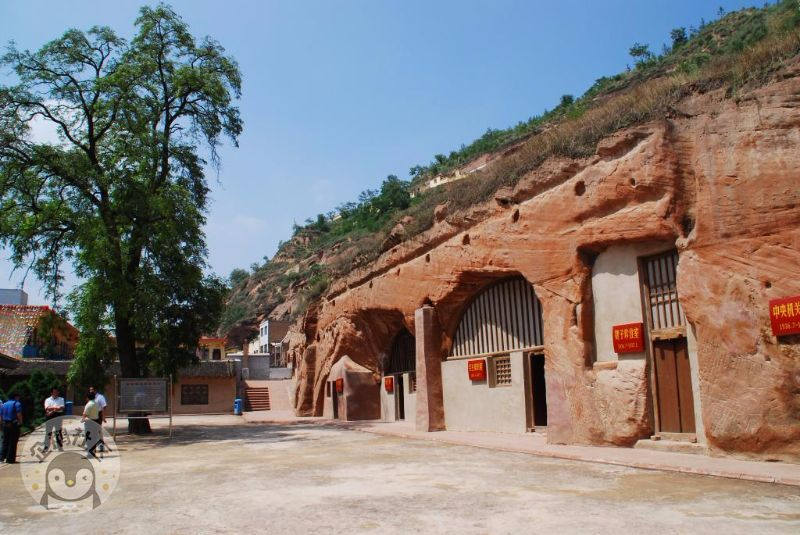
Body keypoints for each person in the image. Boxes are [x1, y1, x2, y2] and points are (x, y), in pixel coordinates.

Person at [1, 391, 24, 463]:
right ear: (16, 397)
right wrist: (20, 422)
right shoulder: (17, 403)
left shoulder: (4, 404)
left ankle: (2, 457)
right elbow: (19, 414)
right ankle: (10, 459)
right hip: (13, 424)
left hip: (5, 424)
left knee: (5, 441)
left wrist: (2, 423)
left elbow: (1, 415)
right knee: (13, 442)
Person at [42, 387, 65, 452]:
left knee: (58, 431)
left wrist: (53, 409)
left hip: (58, 416)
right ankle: (46, 447)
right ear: (51, 393)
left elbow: (62, 407)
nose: (56, 393)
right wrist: (56, 408)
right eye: (54, 392)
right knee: (48, 432)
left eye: (57, 391)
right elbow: (47, 408)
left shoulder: (61, 399)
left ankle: (60, 446)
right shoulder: (47, 400)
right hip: (50, 416)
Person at [81, 392, 101, 458]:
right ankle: (93, 452)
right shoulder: (96, 403)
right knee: (94, 438)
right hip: (96, 421)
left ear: (87, 398)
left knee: (89, 438)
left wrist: (82, 419)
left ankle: (89, 454)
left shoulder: (89, 404)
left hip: (89, 422)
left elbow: (85, 414)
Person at [88, 386, 107, 452]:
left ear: (95, 390)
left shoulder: (100, 397)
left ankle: (101, 446)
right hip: (91, 415)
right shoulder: (90, 397)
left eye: (92, 390)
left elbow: (104, 406)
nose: (90, 391)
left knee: (98, 431)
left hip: (98, 415)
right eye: (90, 390)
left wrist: (103, 416)